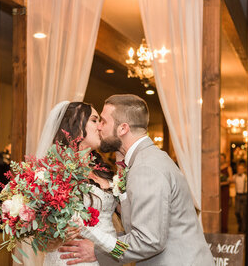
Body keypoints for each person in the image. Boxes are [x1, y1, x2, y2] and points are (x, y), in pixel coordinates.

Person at [59, 94, 213, 266]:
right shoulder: (142, 160)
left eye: (103, 121)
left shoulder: (146, 168)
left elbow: (148, 240)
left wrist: (99, 250)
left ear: (122, 129)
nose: (99, 127)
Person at [17, 101, 119, 266]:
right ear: (75, 126)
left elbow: (131, 228)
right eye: (94, 120)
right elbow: (43, 238)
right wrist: (57, 233)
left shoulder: (106, 172)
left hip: (107, 259)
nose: (100, 126)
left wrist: (114, 252)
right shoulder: (52, 174)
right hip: (71, 260)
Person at [229, 162, 247, 233]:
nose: (240, 170)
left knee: (244, 213)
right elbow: (229, 180)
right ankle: (240, 224)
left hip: (245, 195)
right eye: (239, 169)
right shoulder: (235, 176)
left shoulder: (246, 177)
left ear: (244, 170)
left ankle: (244, 228)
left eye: (241, 169)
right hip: (238, 196)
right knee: (237, 212)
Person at [220, 153, 232, 233]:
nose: (220, 160)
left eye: (222, 158)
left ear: (224, 159)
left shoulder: (228, 168)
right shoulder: (216, 167)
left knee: (224, 209)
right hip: (217, 191)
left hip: (224, 190)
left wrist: (221, 183)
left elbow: (230, 179)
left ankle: (224, 227)